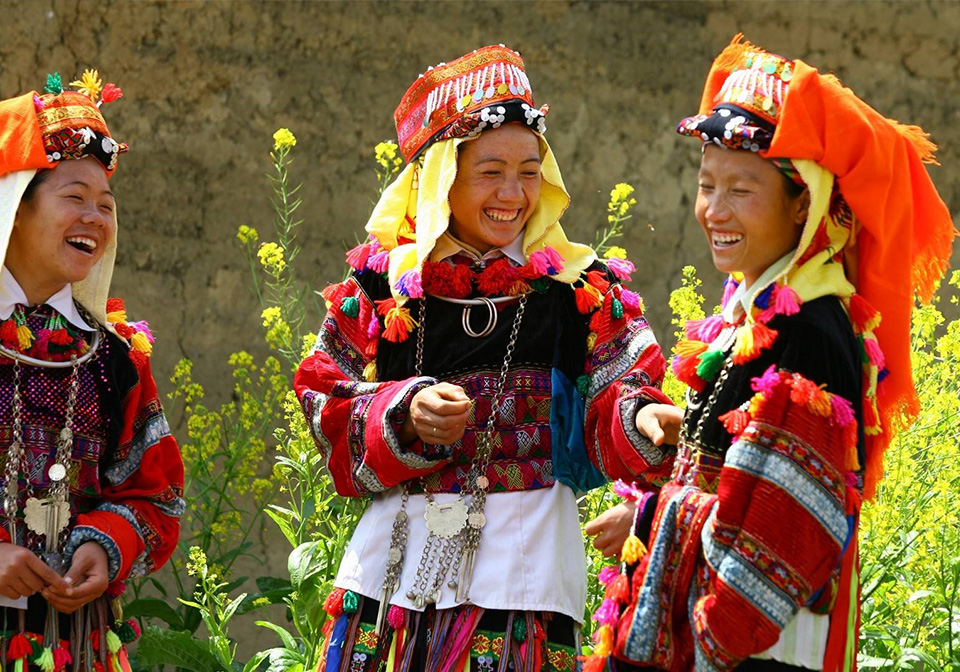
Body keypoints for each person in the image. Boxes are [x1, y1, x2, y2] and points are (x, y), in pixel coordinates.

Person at [294, 45, 673, 671]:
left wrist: (642, 419)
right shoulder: (382, 289)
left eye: (530, 172)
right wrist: (402, 412)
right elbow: (321, 399)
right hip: (393, 577)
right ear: (443, 177)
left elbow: (622, 384)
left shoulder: (581, 290)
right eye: (490, 171)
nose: (513, 193)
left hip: (525, 574)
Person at [583, 36, 955, 672]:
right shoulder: (759, 317)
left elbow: (772, 546)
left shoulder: (810, 331)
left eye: (742, 191)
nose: (714, 211)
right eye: (706, 185)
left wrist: (651, 520)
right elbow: (739, 479)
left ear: (803, 205)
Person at [0, 71, 184, 668]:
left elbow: (155, 494)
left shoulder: (114, 360)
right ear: (15, 209)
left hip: (74, 642)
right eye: (74, 197)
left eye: (106, 205)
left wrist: (106, 547)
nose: (95, 219)